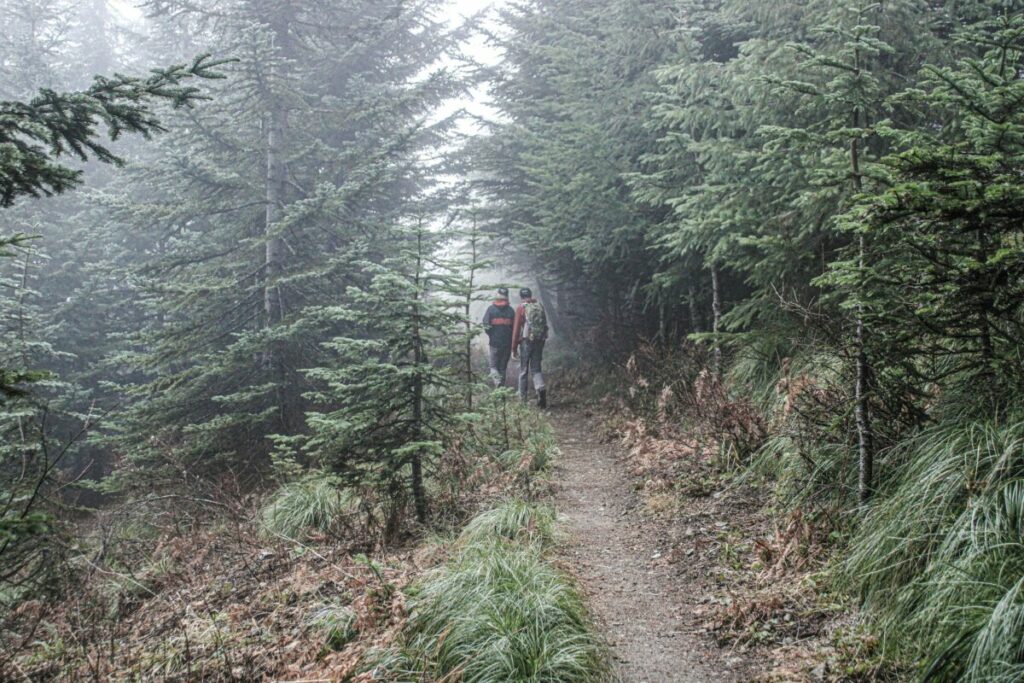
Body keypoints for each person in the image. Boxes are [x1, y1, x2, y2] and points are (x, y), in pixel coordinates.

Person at [511, 287, 548, 407]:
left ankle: (522, 401)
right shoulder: (539, 305)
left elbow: (516, 329)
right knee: (536, 368)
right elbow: (544, 324)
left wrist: (514, 347)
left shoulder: (521, 307)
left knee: (523, 370)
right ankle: (541, 389)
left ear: (521, 296)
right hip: (539, 340)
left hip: (526, 341)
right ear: (531, 295)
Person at [482, 287, 515, 387]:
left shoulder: (491, 309)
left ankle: (497, 383)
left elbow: (486, 325)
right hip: (507, 344)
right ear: (507, 297)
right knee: (502, 367)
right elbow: (515, 328)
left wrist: (492, 335)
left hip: (495, 343)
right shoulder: (511, 310)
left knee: (493, 366)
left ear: (497, 295)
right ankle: (502, 389)